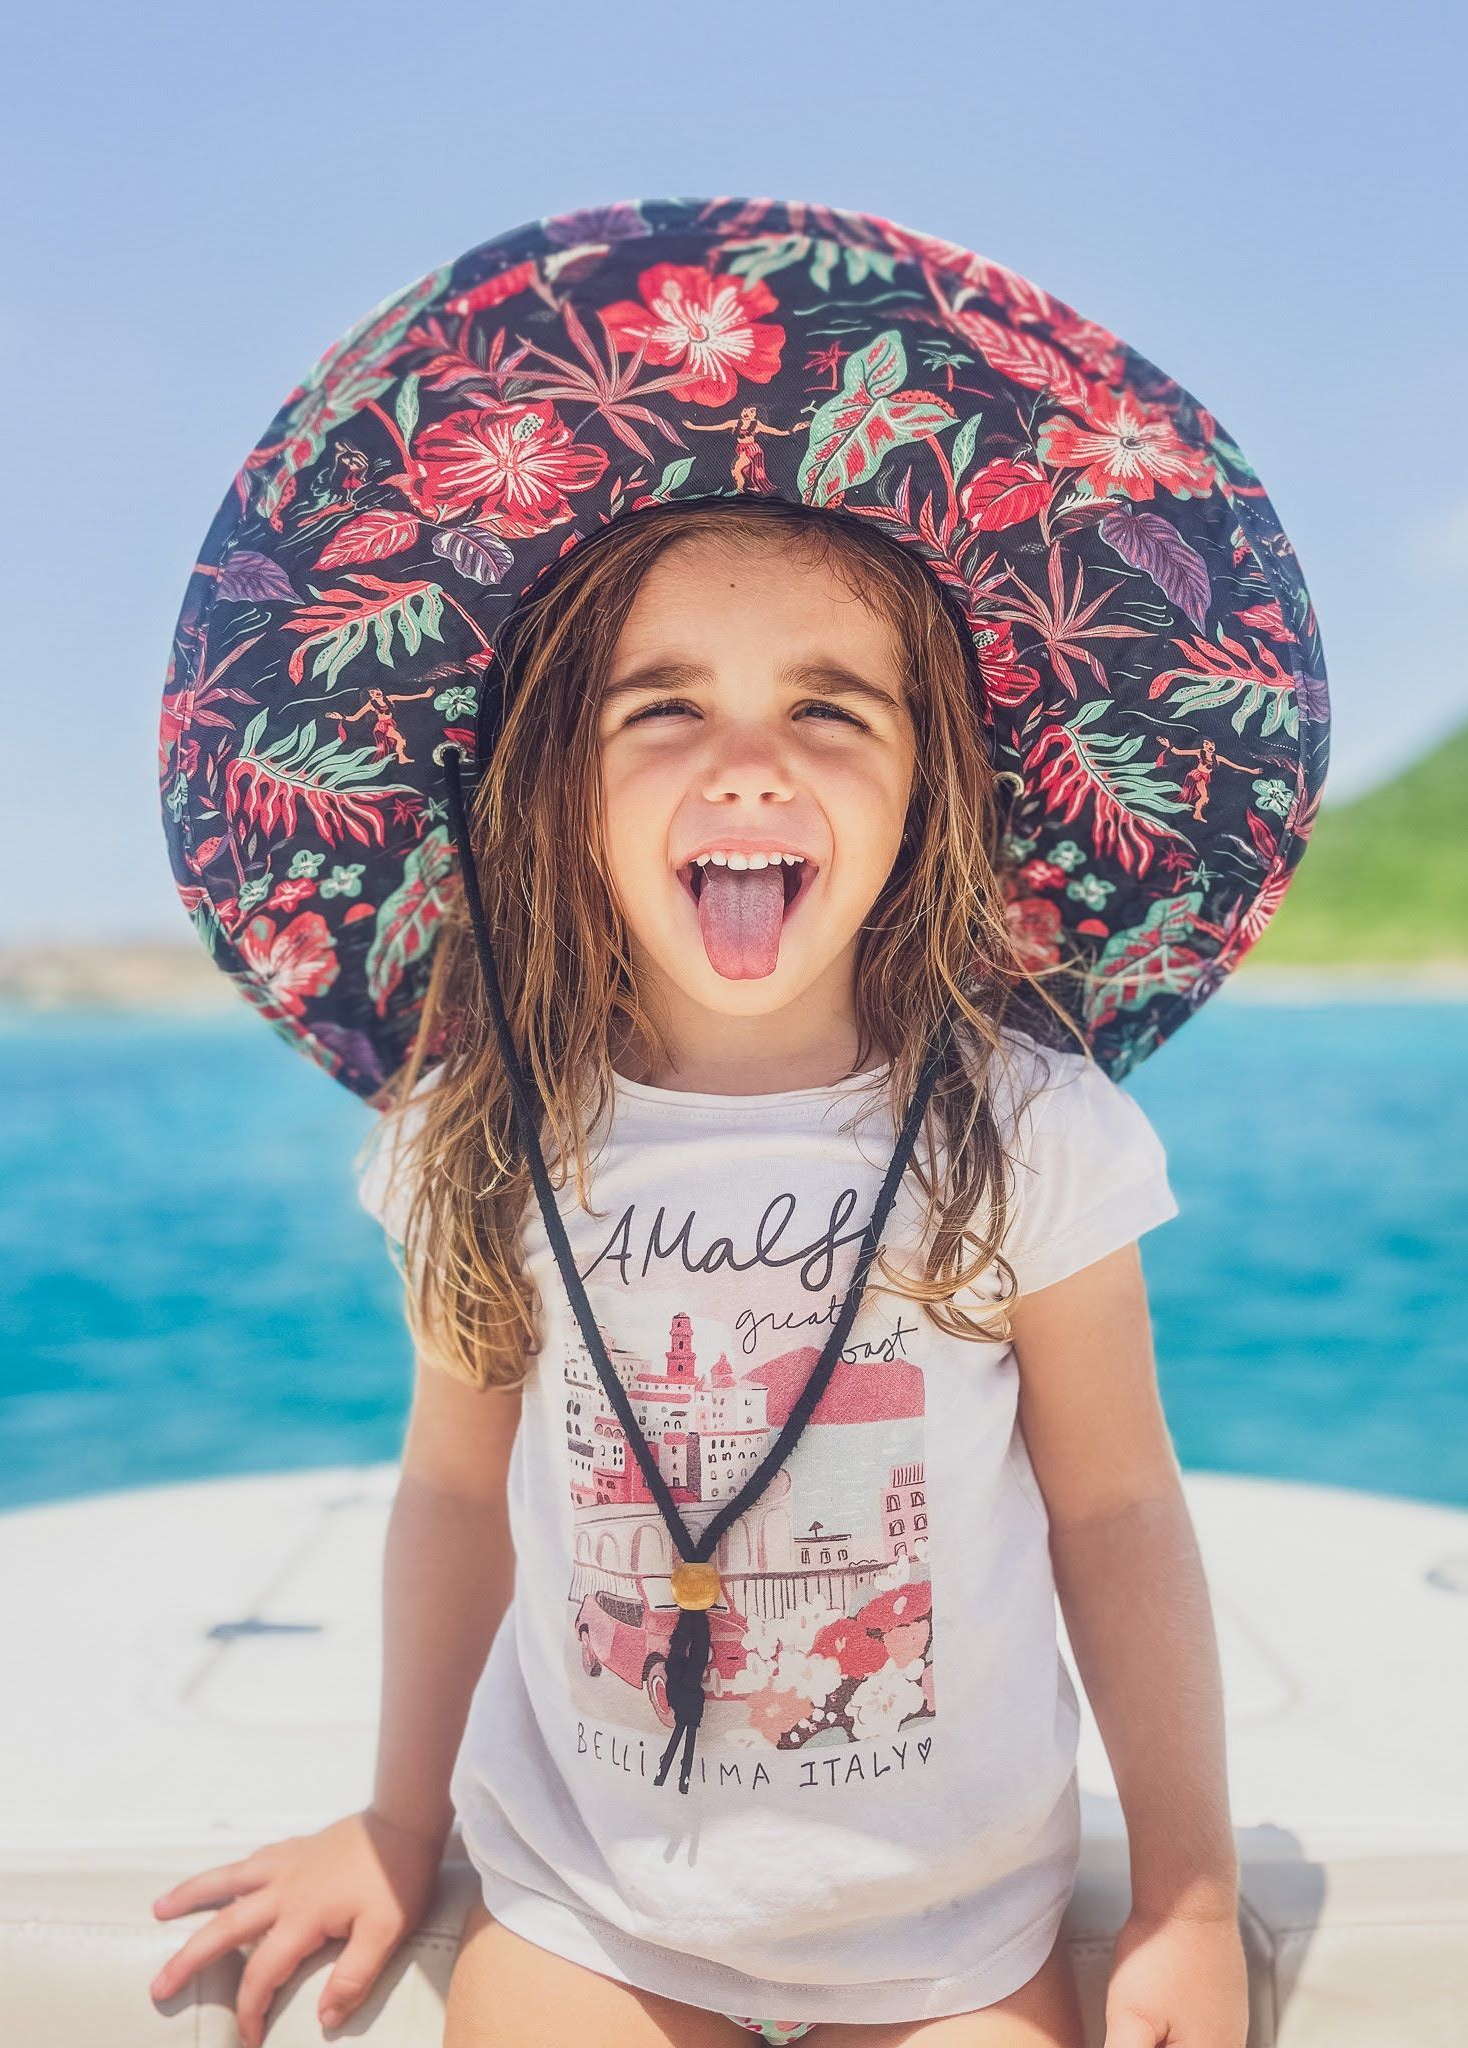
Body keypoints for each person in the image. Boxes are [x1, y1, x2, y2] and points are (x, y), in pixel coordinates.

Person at [150, 197, 1327, 2048]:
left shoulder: (1025, 1132)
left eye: (832, 707)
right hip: (587, 1905)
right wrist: (395, 1824)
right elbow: (459, 1494)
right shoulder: (486, 1133)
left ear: (935, 789)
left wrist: (1181, 1887)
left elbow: (1114, 1510)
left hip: (951, 1932)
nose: (749, 760)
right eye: (664, 707)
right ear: (555, 793)